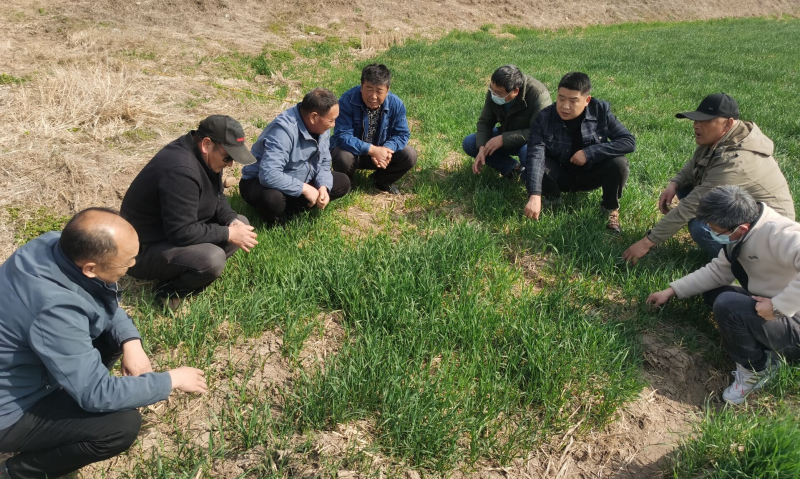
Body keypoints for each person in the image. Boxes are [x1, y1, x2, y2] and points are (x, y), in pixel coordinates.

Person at [0, 208, 207, 479]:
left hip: (26, 370)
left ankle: (69, 389)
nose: (132, 265)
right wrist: (171, 380)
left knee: (112, 336)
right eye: (125, 263)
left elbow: (98, 300)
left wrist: (130, 341)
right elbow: (96, 394)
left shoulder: (52, 245)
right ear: (90, 268)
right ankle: (13, 472)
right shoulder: (55, 310)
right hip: (10, 410)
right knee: (120, 426)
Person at [647, 186, 800, 405]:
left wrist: (778, 306)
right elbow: (717, 271)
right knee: (715, 293)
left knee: (728, 305)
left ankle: (756, 368)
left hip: (795, 324)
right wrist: (671, 291)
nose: (711, 233)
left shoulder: (781, 234)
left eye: (715, 230)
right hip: (774, 307)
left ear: (741, 228)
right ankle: (764, 345)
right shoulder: (743, 234)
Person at [623, 93, 794, 263]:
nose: (696, 126)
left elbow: (691, 206)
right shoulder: (721, 139)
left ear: (728, 123)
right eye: (696, 120)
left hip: (768, 240)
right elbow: (694, 164)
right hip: (743, 213)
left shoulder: (736, 163)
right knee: (685, 187)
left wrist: (647, 242)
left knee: (700, 227)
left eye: (705, 121)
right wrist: (674, 184)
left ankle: (739, 265)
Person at [121, 115, 259, 309]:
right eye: (228, 157)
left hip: (170, 234)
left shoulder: (206, 157)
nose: (230, 164)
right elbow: (181, 232)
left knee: (240, 222)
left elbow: (217, 196)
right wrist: (228, 233)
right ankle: (168, 291)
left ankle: (187, 269)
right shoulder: (180, 170)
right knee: (212, 259)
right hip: (141, 251)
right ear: (207, 144)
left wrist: (231, 222)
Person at [522, 72, 635, 233]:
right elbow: (535, 155)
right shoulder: (544, 118)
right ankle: (552, 199)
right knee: (533, 160)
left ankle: (610, 209)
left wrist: (589, 153)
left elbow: (628, 141)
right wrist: (534, 195)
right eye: (561, 98)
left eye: (573, 100)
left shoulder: (600, 111)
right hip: (560, 175)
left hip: (592, 173)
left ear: (587, 100)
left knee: (619, 163)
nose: (565, 106)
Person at [239, 88, 351, 223]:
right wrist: (304, 188)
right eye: (331, 120)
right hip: (259, 182)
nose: (333, 125)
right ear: (314, 117)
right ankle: (277, 218)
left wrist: (323, 186)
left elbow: (324, 162)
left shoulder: (322, 128)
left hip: (300, 177)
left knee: (342, 182)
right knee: (272, 199)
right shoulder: (282, 131)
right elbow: (268, 174)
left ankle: (292, 208)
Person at [331, 64, 417, 195]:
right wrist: (372, 150)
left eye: (379, 91)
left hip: (382, 154)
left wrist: (386, 149)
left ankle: (381, 181)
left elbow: (402, 134)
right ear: (361, 87)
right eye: (369, 89)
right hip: (354, 153)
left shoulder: (396, 104)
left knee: (409, 154)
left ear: (387, 90)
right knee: (341, 156)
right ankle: (348, 185)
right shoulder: (346, 100)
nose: (373, 96)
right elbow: (342, 135)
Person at [463, 64, 551, 180]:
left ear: (515, 91)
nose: (494, 94)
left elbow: (538, 132)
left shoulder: (539, 95)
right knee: (470, 143)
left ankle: (535, 181)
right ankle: (513, 169)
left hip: (530, 140)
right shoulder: (495, 89)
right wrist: (482, 147)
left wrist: (503, 139)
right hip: (507, 133)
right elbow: (485, 122)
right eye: (492, 90)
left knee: (528, 152)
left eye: (498, 93)